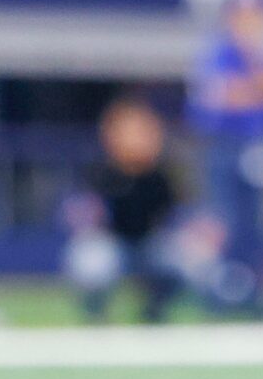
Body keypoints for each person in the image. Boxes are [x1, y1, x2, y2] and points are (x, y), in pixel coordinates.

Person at [186, 0, 263, 313]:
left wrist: (257, 68)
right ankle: (221, 299)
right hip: (222, 146)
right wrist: (262, 86)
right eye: (241, 13)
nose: (249, 22)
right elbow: (216, 99)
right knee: (222, 225)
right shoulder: (216, 50)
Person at [64, 93, 186, 322]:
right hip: (111, 243)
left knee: (184, 258)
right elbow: (80, 213)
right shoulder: (100, 171)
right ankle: (95, 313)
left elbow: (177, 215)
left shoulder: (160, 174)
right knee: (92, 260)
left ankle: (154, 310)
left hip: (148, 244)